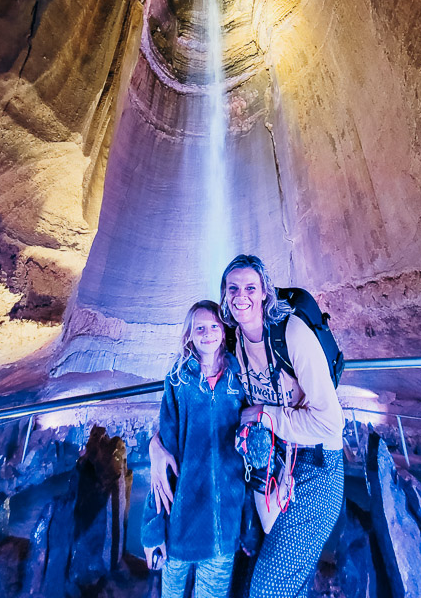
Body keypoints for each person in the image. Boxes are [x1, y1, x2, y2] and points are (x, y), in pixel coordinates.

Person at [150, 255, 345, 598]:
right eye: (233, 288)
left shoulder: (292, 334)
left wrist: (265, 414)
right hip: (274, 468)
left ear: (266, 293)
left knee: (269, 588)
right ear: (225, 296)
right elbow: (204, 413)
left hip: (316, 470)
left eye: (251, 287)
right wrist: (155, 446)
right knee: (250, 578)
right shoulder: (235, 342)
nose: (242, 296)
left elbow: (331, 422)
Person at [141, 300, 246, 598]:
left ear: (224, 331)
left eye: (214, 326)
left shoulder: (240, 380)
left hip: (223, 530)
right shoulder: (178, 382)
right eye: (200, 327)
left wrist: (248, 525)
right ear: (189, 335)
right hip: (180, 528)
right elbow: (163, 463)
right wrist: (152, 529)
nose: (208, 333)